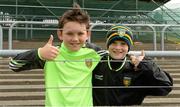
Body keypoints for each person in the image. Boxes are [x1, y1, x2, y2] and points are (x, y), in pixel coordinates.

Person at [9, 3, 101, 106]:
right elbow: (13, 65)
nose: (75, 39)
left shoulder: (94, 53)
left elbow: (117, 55)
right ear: (60, 34)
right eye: (69, 33)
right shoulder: (50, 54)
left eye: (80, 34)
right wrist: (39, 53)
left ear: (88, 34)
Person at [92, 24, 173, 106]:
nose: (118, 47)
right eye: (113, 43)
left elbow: (165, 87)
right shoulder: (97, 63)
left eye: (123, 44)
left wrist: (145, 65)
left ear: (129, 47)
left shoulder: (136, 69)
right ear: (108, 45)